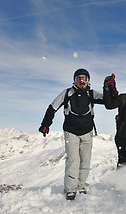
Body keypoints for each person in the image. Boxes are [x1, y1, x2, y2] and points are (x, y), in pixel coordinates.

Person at [38, 68, 104, 200]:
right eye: (78, 78)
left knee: (85, 160)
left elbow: (108, 101)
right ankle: (70, 189)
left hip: (87, 132)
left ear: (88, 81)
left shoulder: (91, 94)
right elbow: (53, 107)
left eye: (84, 78)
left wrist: (109, 88)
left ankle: (81, 186)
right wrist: (45, 124)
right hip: (71, 131)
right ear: (74, 81)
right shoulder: (67, 93)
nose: (81, 81)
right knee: (73, 160)